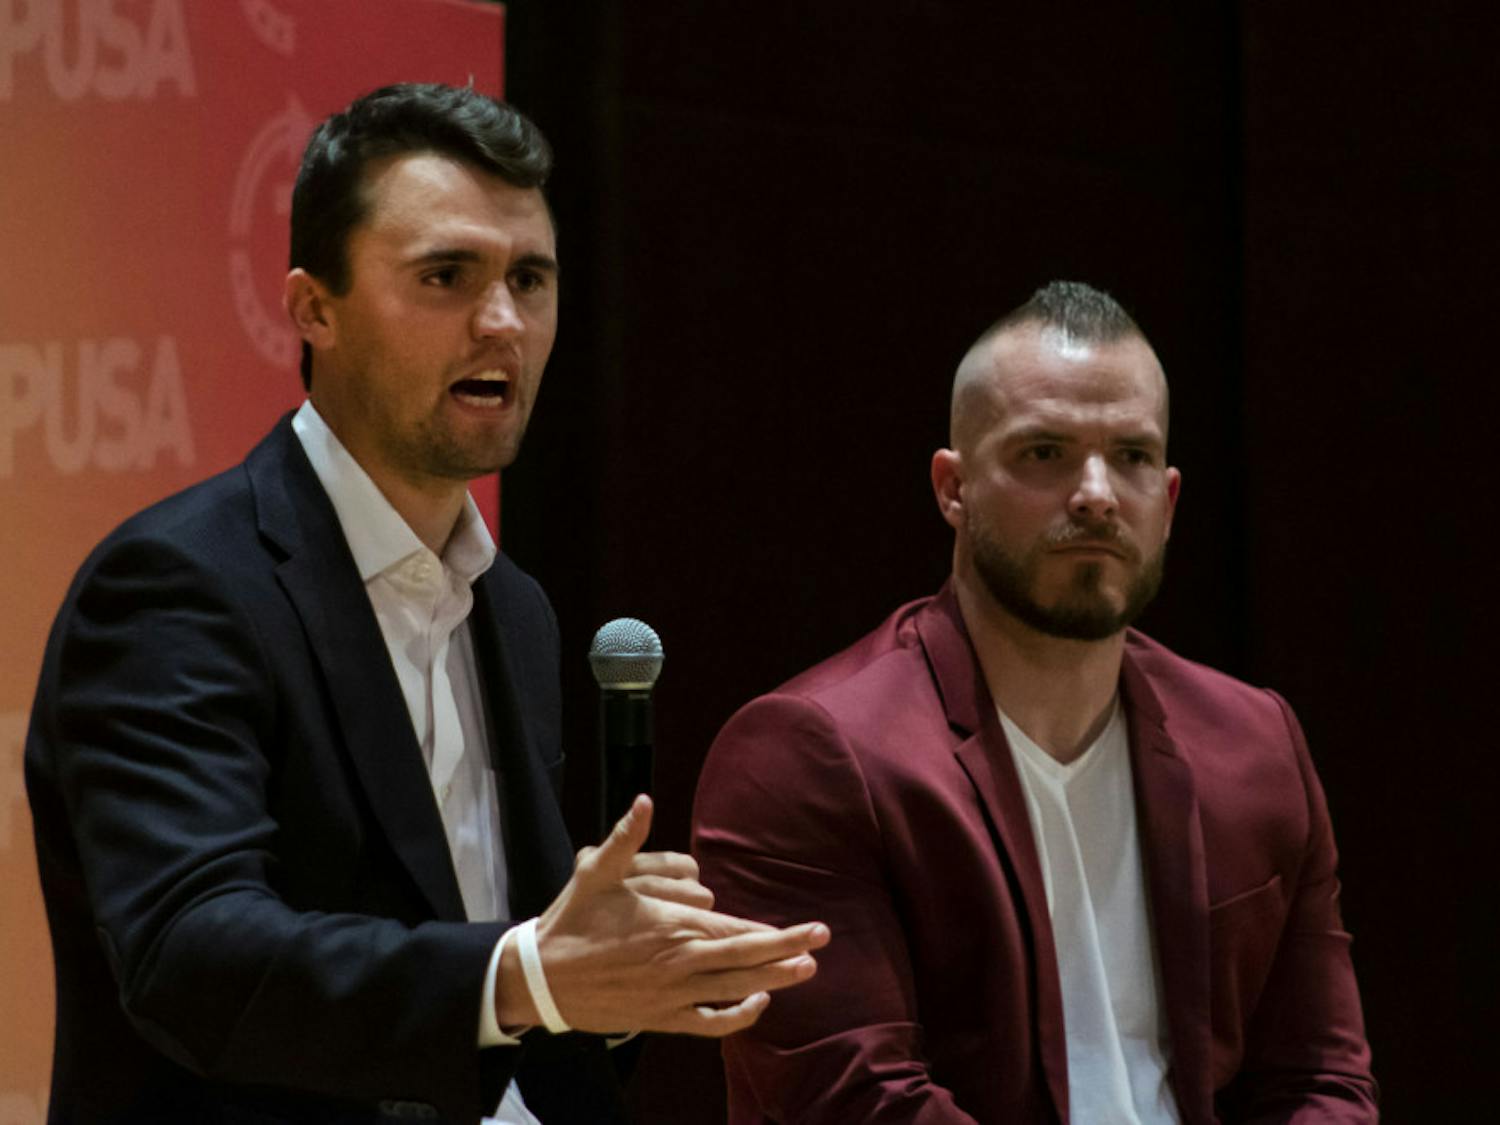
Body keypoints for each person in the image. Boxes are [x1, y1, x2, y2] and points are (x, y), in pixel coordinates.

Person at [25, 83, 827, 1125]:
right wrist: (530, 974)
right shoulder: (178, 585)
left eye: (529, 279)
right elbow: (193, 956)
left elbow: (518, 992)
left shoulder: (518, 610)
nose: (502, 322)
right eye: (447, 276)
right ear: (314, 307)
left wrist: (622, 985)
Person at [692, 281, 1377, 1123]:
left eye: (1130, 456)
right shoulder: (807, 754)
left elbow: (1320, 1083)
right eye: (1044, 453)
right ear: (953, 487)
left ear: (1167, 502)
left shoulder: (1255, 740)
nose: (1094, 493)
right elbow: (862, 1104)